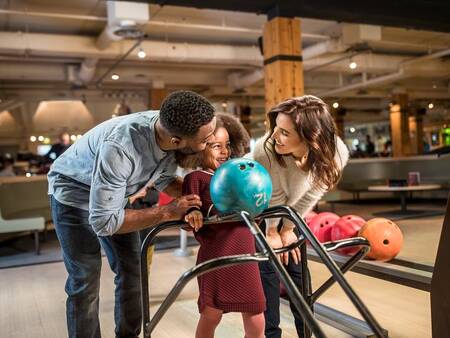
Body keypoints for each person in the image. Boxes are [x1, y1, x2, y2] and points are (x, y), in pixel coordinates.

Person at [47, 90, 216, 338]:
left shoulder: (168, 127)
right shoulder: (121, 148)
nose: (209, 141)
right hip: (73, 194)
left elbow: (165, 177)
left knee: (133, 272)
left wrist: (200, 201)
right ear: (177, 141)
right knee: (85, 279)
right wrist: (168, 211)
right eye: (205, 139)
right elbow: (105, 222)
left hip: (114, 199)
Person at [252, 95, 349, 338]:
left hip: (290, 211)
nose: (275, 135)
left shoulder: (336, 153)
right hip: (259, 205)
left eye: (284, 132)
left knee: (297, 269)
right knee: (269, 271)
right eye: (275, 127)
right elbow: (271, 197)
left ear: (310, 137)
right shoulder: (265, 150)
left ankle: (306, 333)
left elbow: (312, 194)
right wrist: (273, 230)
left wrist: (288, 229)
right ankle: (271, 335)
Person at [181, 113, 266, 338]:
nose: (224, 151)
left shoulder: (239, 175)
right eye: (215, 146)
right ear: (199, 148)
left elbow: (256, 205)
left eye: (227, 145)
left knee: (256, 315)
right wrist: (194, 212)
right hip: (216, 257)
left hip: (246, 256)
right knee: (211, 315)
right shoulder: (196, 178)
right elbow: (190, 206)